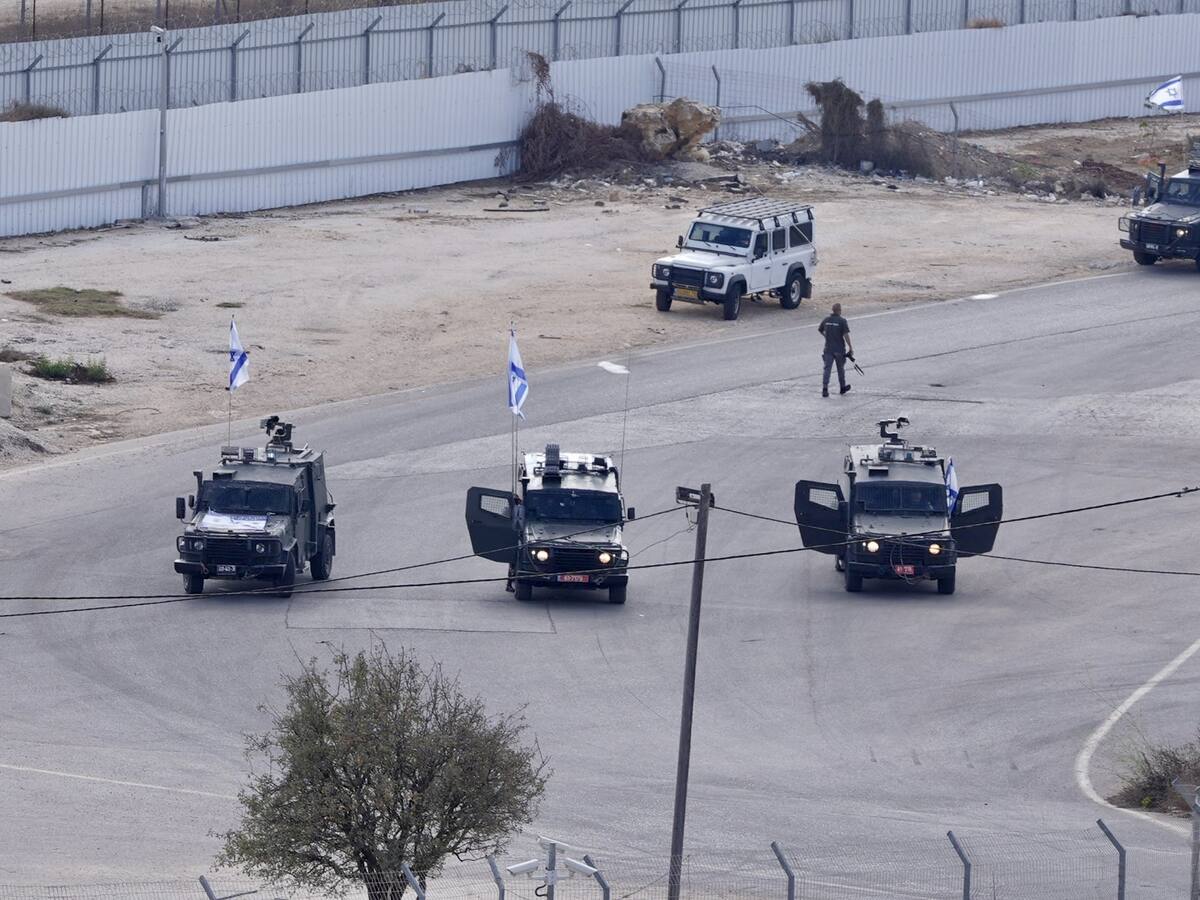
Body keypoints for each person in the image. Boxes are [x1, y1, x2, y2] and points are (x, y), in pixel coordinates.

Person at [817, 302, 854, 397]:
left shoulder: (826, 320)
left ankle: (825, 389)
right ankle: (842, 388)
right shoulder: (842, 321)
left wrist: (826, 336)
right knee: (840, 369)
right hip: (839, 350)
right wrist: (850, 347)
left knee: (827, 369)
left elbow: (820, 329)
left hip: (828, 349)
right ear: (839, 311)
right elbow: (846, 335)